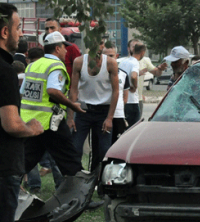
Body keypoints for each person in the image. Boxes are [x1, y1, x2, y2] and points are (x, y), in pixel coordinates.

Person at [0, 4, 43, 222]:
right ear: (5, 31)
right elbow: (11, 124)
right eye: (17, 28)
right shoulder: (4, 70)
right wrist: (33, 128)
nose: (20, 34)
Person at [20, 31, 85, 182]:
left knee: (25, 160)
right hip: (50, 122)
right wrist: (71, 106)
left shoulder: (32, 66)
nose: (66, 50)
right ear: (57, 49)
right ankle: (79, 193)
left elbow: (22, 92)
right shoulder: (55, 66)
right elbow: (53, 91)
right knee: (70, 159)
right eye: (64, 47)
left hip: (31, 122)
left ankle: (7, 186)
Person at [68, 38, 119, 171]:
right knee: (75, 148)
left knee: (103, 151)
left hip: (103, 112)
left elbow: (116, 91)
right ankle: (76, 178)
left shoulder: (110, 63)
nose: (99, 46)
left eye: (101, 43)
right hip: (83, 111)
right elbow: (73, 90)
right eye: (95, 42)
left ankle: (101, 181)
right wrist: (70, 116)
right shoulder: (79, 62)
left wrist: (109, 118)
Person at [102, 44, 130, 143]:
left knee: (117, 145)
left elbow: (125, 97)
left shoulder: (123, 74)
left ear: (116, 56)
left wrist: (117, 108)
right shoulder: (98, 74)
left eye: (111, 56)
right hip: (102, 115)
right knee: (102, 147)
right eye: (105, 56)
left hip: (118, 115)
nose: (108, 59)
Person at [118, 40, 142, 127]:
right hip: (132, 101)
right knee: (134, 128)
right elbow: (133, 76)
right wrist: (134, 86)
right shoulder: (135, 62)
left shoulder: (122, 62)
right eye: (134, 46)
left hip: (124, 101)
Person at [137, 51, 167, 115]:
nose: (137, 50)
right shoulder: (124, 62)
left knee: (136, 123)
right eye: (134, 47)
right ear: (128, 48)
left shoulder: (145, 60)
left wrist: (160, 69)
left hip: (138, 99)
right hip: (125, 99)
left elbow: (156, 73)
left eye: (139, 49)